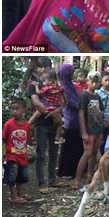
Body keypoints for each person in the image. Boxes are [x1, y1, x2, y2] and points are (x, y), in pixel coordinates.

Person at [26, 57, 62, 191]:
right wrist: (52, 113)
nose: (41, 70)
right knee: (41, 153)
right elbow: (36, 102)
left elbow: (61, 100)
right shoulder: (33, 83)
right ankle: (42, 183)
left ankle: (52, 180)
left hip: (54, 122)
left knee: (54, 152)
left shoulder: (53, 81)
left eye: (44, 68)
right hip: (41, 123)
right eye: (40, 68)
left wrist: (58, 111)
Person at [72, 70, 103, 191]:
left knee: (94, 153)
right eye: (92, 82)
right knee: (87, 153)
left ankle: (90, 177)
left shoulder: (97, 96)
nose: (95, 84)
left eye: (97, 82)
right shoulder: (84, 96)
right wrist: (84, 132)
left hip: (97, 129)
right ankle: (76, 179)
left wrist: (100, 132)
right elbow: (81, 114)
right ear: (88, 81)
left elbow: (101, 112)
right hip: (88, 130)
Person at [57, 63, 83, 179]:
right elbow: (71, 103)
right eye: (71, 72)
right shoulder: (63, 87)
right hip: (70, 121)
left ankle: (74, 170)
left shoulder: (70, 85)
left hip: (76, 121)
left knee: (76, 147)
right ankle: (65, 171)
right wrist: (82, 105)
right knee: (68, 148)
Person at [3, 99, 31, 204]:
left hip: (22, 155)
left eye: (17, 109)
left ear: (24, 110)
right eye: (12, 109)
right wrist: (6, 152)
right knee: (12, 176)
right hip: (12, 156)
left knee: (22, 176)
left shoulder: (27, 125)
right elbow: (4, 138)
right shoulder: (8, 124)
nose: (14, 111)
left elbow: (27, 138)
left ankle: (20, 193)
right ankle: (13, 196)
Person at [28, 69, 66, 145]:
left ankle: (26, 126)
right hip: (55, 108)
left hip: (46, 106)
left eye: (45, 81)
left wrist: (36, 86)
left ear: (50, 80)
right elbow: (64, 100)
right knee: (59, 123)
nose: (44, 83)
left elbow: (38, 92)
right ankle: (57, 138)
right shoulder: (59, 88)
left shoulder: (47, 88)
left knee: (35, 115)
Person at [95, 72, 109, 154]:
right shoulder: (97, 93)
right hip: (100, 122)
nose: (108, 82)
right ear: (101, 81)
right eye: (106, 80)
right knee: (100, 141)